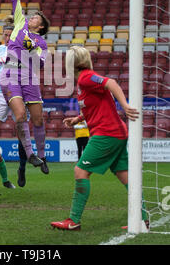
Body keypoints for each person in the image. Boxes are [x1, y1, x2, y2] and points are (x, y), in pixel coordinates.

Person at [51, 46, 148, 231]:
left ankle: (73, 220)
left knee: (80, 171)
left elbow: (110, 82)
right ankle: (143, 220)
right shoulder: (83, 81)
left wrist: (125, 105)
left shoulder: (87, 77)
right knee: (126, 177)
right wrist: (78, 118)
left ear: (71, 63)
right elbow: (94, 106)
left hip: (106, 133)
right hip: (116, 133)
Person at [0, 0, 50, 173]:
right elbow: (15, 1)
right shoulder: (20, 24)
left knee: (37, 119)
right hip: (10, 73)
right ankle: (30, 154)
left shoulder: (42, 43)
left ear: (41, 26)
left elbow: (40, 64)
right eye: (32, 16)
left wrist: (32, 50)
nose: (32, 17)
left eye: (36, 17)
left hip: (29, 77)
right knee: (20, 115)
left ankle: (43, 156)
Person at [0, 16, 28, 187]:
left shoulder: (23, 50)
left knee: (22, 130)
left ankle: (21, 168)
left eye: (10, 35)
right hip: (0, 92)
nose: (7, 38)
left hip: (18, 93)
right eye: (5, 35)